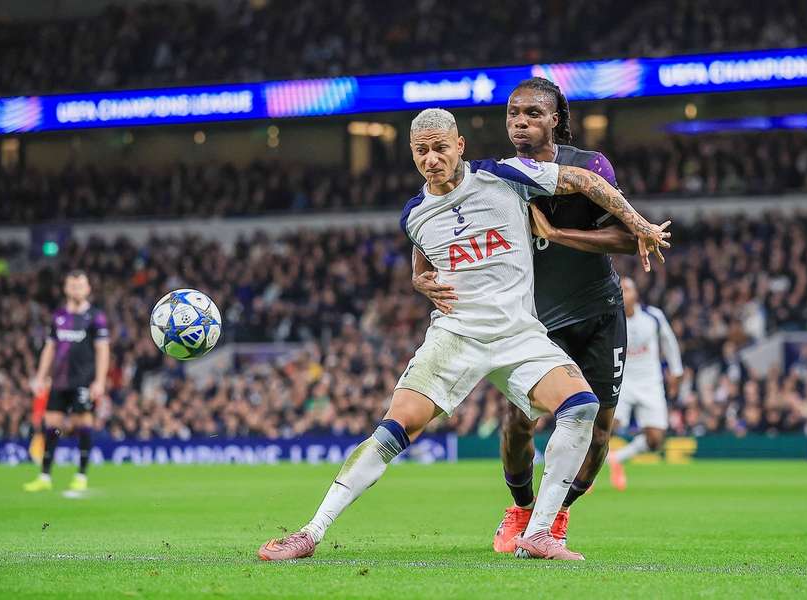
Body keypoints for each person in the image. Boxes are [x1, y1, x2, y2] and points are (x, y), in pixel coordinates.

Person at [258, 108, 669, 562]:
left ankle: (539, 532)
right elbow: (422, 253)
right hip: (457, 334)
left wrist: (638, 224)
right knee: (397, 426)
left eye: (440, 148)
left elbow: (586, 181)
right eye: (422, 151)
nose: (432, 158)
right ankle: (310, 533)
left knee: (581, 406)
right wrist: (419, 279)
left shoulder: (504, 176)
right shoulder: (414, 214)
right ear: (412, 155)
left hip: (518, 334)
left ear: (459, 147)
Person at [412, 77, 668, 552]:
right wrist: (420, 275)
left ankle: (556, 516)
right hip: (537, 320)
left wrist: (556, 233)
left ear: (555, 120)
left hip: (598, 312)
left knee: (599, 431)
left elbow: (625, 239)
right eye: (513, 114)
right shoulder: (498, 176)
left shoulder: (589, 165)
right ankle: (521, 510)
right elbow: (435, 218)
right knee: (518, 422)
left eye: (533, 114)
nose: (520, 123)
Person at [23, 270, 109, 492]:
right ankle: (44, 476)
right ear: (66, 288)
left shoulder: (95, 317)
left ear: (88, 288)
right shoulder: (58, 316)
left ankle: (81, 475)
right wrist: (41, 376)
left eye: (80, 286)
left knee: (84, 425)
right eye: (72, 286)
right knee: (51, 425)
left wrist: (99, 381)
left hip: (83, 380)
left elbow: (102, 350)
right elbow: (50, 348)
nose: (76, 290)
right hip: (59, 381)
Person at [608, 277, 683, 490]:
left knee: (656, 440)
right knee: (607, 429)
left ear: (636, 294)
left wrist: (676, 373)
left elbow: (670, 343)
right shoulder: (611, 317)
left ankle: (617, 458)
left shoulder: (653, 316)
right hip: (621, 381)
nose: (624, 292)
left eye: (628, 289)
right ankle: (586, 475)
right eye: (620, 289)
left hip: (650, 382)